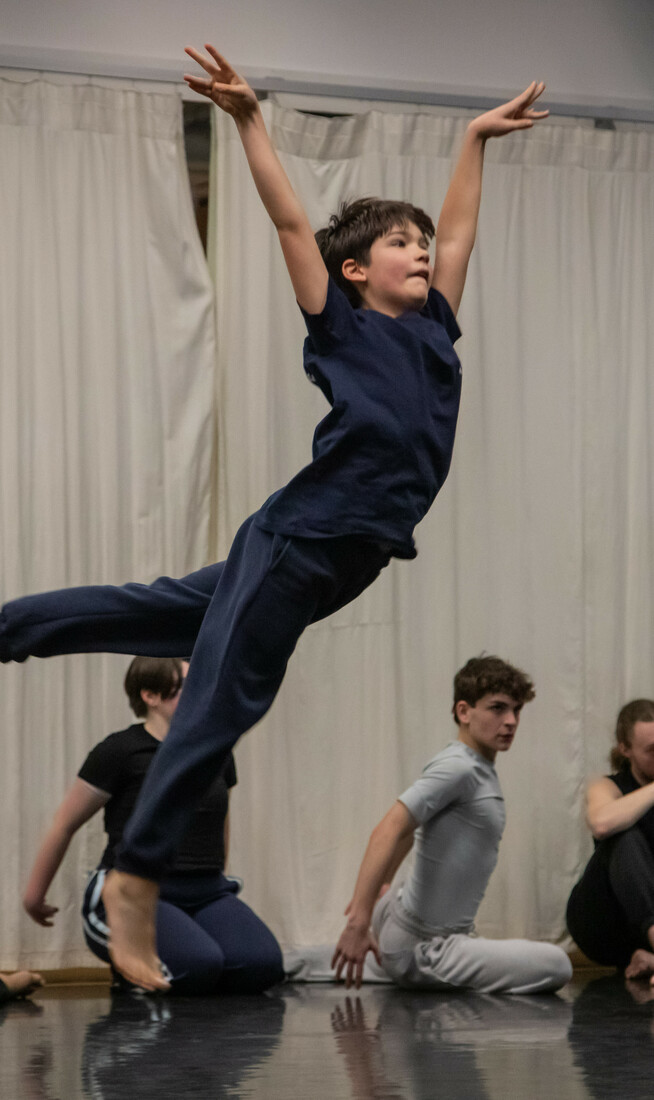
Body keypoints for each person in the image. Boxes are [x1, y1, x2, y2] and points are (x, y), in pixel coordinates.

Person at [0, 43, 549, 991]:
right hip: (302, 539)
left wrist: (473, 140)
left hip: (343, 562)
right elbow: (291, 218)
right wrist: (251, 121)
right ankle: (133, 877)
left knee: (156, 610)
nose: (423, 250)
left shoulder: (432, 331)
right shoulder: (342, 325)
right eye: (400, 243)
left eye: (422, 243)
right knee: (224, 700)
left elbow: (459, 234)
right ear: (354, 270)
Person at [22, 657, 283, 994]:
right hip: (136, 893)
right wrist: (34, 895)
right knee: (197, 967)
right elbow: (63, 824)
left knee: (261, 965)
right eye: (187, 686)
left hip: (205, 890)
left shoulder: (214, 751)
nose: (200, 693)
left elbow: (220, 821)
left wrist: (219, 876)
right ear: (151, 695)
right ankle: (133, 971)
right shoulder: (120, 751)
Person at [332, 655, 572, 993]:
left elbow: (410, 828)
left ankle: (374, 952)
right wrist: (358, 923)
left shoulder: (474, 766)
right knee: (557, 964)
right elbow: (387, 829)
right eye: (498, 708)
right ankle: (393, 954)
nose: (511, 721)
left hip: (401, 920)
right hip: (425, 946)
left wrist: (382, 889)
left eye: (516, 710)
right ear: (464, 712)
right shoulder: (459, 767)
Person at [566, 699, 654, 982]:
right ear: (625, 749)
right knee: (622, 833)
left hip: (639, 933)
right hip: (603, 922)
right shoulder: (607, 785)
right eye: (652, 750)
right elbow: (602, 823)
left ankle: (643, 957)